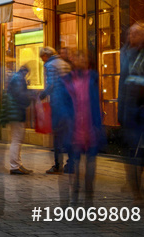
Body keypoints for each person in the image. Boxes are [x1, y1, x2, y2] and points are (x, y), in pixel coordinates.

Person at [119, 20, 144, 201]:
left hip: (143, 109)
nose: (132, 37)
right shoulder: (125, 54)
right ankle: (133, 182)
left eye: (136, 33)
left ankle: (137, 187)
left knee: (138, 148)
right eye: (131, 34)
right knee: (128, 148)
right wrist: (120, 108)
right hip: (128, 108)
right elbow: (122, 82)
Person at [63, 50, 104, 204]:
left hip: (91, 124)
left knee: (91, 161)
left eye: (83, 57)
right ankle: (75, 190)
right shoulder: (67, 80)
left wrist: (99, 124)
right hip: (74, 126)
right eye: (78, 57)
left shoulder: (92, 78)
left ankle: (89, 193)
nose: (80, 60)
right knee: (75, 160)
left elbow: (96, 103)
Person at [39, 46, 72, 174]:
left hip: (58, 103)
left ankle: (58, 166)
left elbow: (51, 84)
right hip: (69, 103)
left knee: (57, 136)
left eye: (42, 58)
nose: (42, 61)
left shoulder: (50, 65)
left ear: (45, 56)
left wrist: (42, 95)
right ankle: (71, 164)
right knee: (68, 134)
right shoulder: (64, 64)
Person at [6, 64, 33, 174]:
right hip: (17, 113)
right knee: (16, 140)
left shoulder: (16, 78)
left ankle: (18, 164)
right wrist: (29, 97)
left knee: (17, 139)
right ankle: (15, 166)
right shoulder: (19, 79)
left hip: (15, 113)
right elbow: (21, 96)